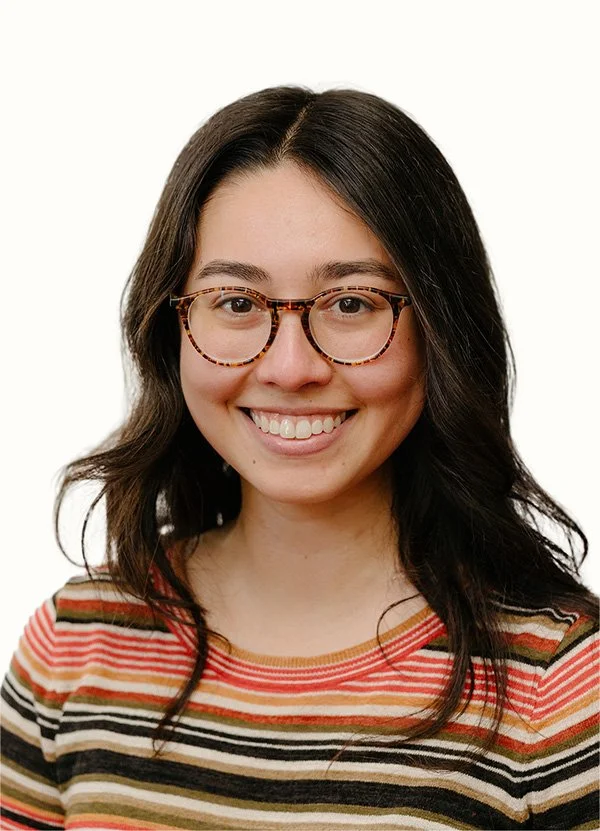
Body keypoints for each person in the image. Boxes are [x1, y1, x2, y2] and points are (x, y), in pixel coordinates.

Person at [1, 86, 598, 831]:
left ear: (439, 329)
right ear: (171, 327)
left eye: (351, 303)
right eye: (236, 302)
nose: (290, 368)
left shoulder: (562, 688)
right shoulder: (75, 646)